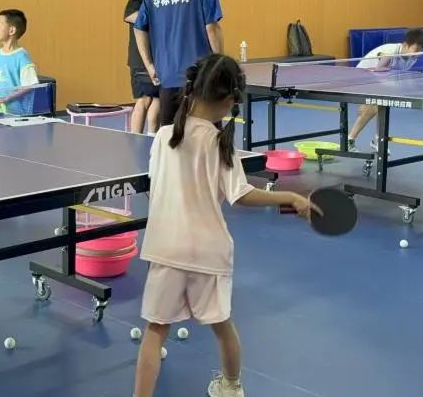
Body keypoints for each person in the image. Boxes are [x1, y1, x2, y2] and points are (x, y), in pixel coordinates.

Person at [133, 54, 318, 397]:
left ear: (191, 89)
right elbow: (241, 195)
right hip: (208, 251)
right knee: (222, 325)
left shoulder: (163, 136)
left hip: (166, 247)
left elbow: (155, 188)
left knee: (155, 331)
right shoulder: (220, 143)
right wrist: (290, 198)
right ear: (231, 100)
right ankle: (230, 387)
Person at [134, 0, 224, 127]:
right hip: (201, 79)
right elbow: (212, 28)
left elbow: (138, 27)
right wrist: (220, 65)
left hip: (167, 79)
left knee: (171, 138)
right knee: (207, 138)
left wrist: (150, 66)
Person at [348, 28, 423, 151]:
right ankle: (350, 140)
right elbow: (378, 69)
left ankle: (378, 140)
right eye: (416, 50)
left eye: (421, 51)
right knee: (372, 107)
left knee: (382, 106)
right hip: (360, 78)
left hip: (377, 81)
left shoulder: (412, 57)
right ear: (405, 45)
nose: (418, 54)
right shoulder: (391, 52)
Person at [123, 0, 171, 135]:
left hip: (158, 54)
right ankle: (135, 138)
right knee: (144, 99)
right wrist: (156, 20)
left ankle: (152, 137)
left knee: (157, 97)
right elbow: (129, 15)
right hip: (140, 55)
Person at [0, 9, 39, 116]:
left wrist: (7, 98)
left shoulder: (22, 57)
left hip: (16, 115)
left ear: (11, 30)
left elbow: (30, 86)